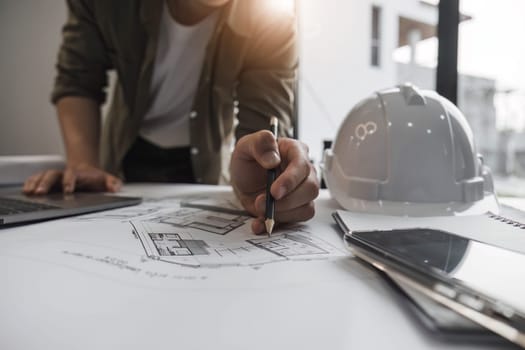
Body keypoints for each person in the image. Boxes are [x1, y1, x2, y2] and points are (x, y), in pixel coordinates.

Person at [23, 0, 319, 234]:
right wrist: (83, 164)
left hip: (203, 171)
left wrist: (262, 178)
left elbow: (263, 127)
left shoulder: (274, 17)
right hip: (123, 163)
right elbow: (78, 79)